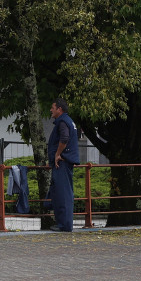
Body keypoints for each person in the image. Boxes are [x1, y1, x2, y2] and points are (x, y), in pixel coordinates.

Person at [47, 97, 79, 232]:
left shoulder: (62, 122)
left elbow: (64, 138)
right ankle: (63, 224)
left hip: (63, 163)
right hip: (66, 162)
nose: (51, 110)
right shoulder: (68, 121)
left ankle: (65, 225)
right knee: (60, 193)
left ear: (59, 109)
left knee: (63, 194)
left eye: (52, 108)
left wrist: (57, 154)